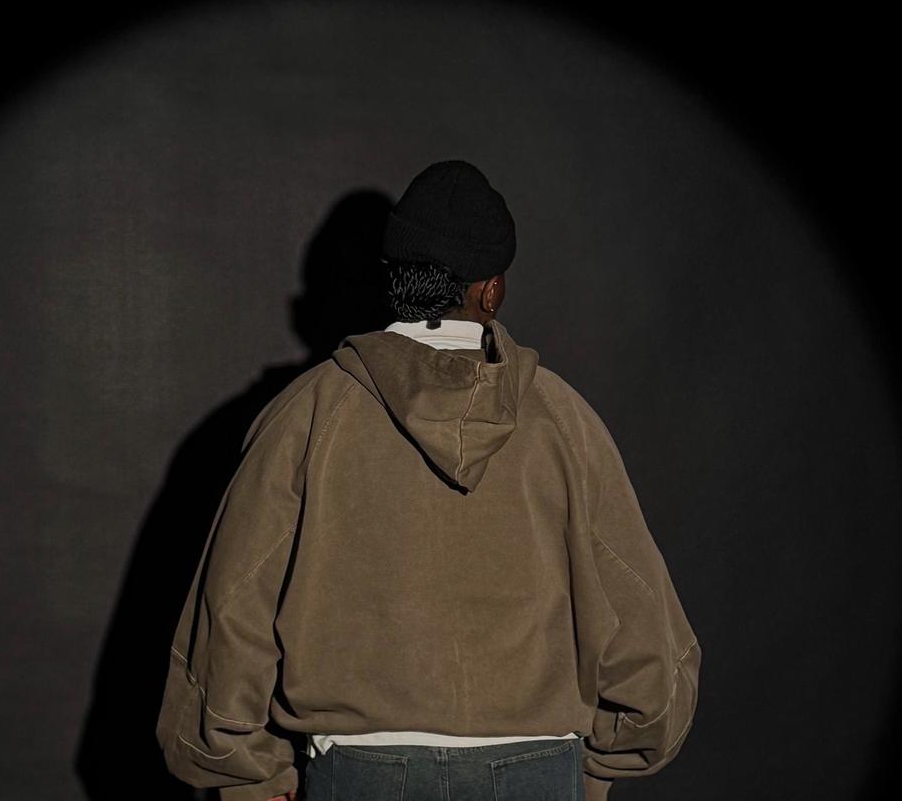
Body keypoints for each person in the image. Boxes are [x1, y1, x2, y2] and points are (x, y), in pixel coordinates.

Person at [156, 159, 701, 801]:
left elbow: (234, 603)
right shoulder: (563, 421)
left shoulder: (307, 414)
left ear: (396, 280)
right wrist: (606, 759)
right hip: (534, 765)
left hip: (362, 771)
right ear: (490, 292)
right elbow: (640, 611)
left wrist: (248, 773)